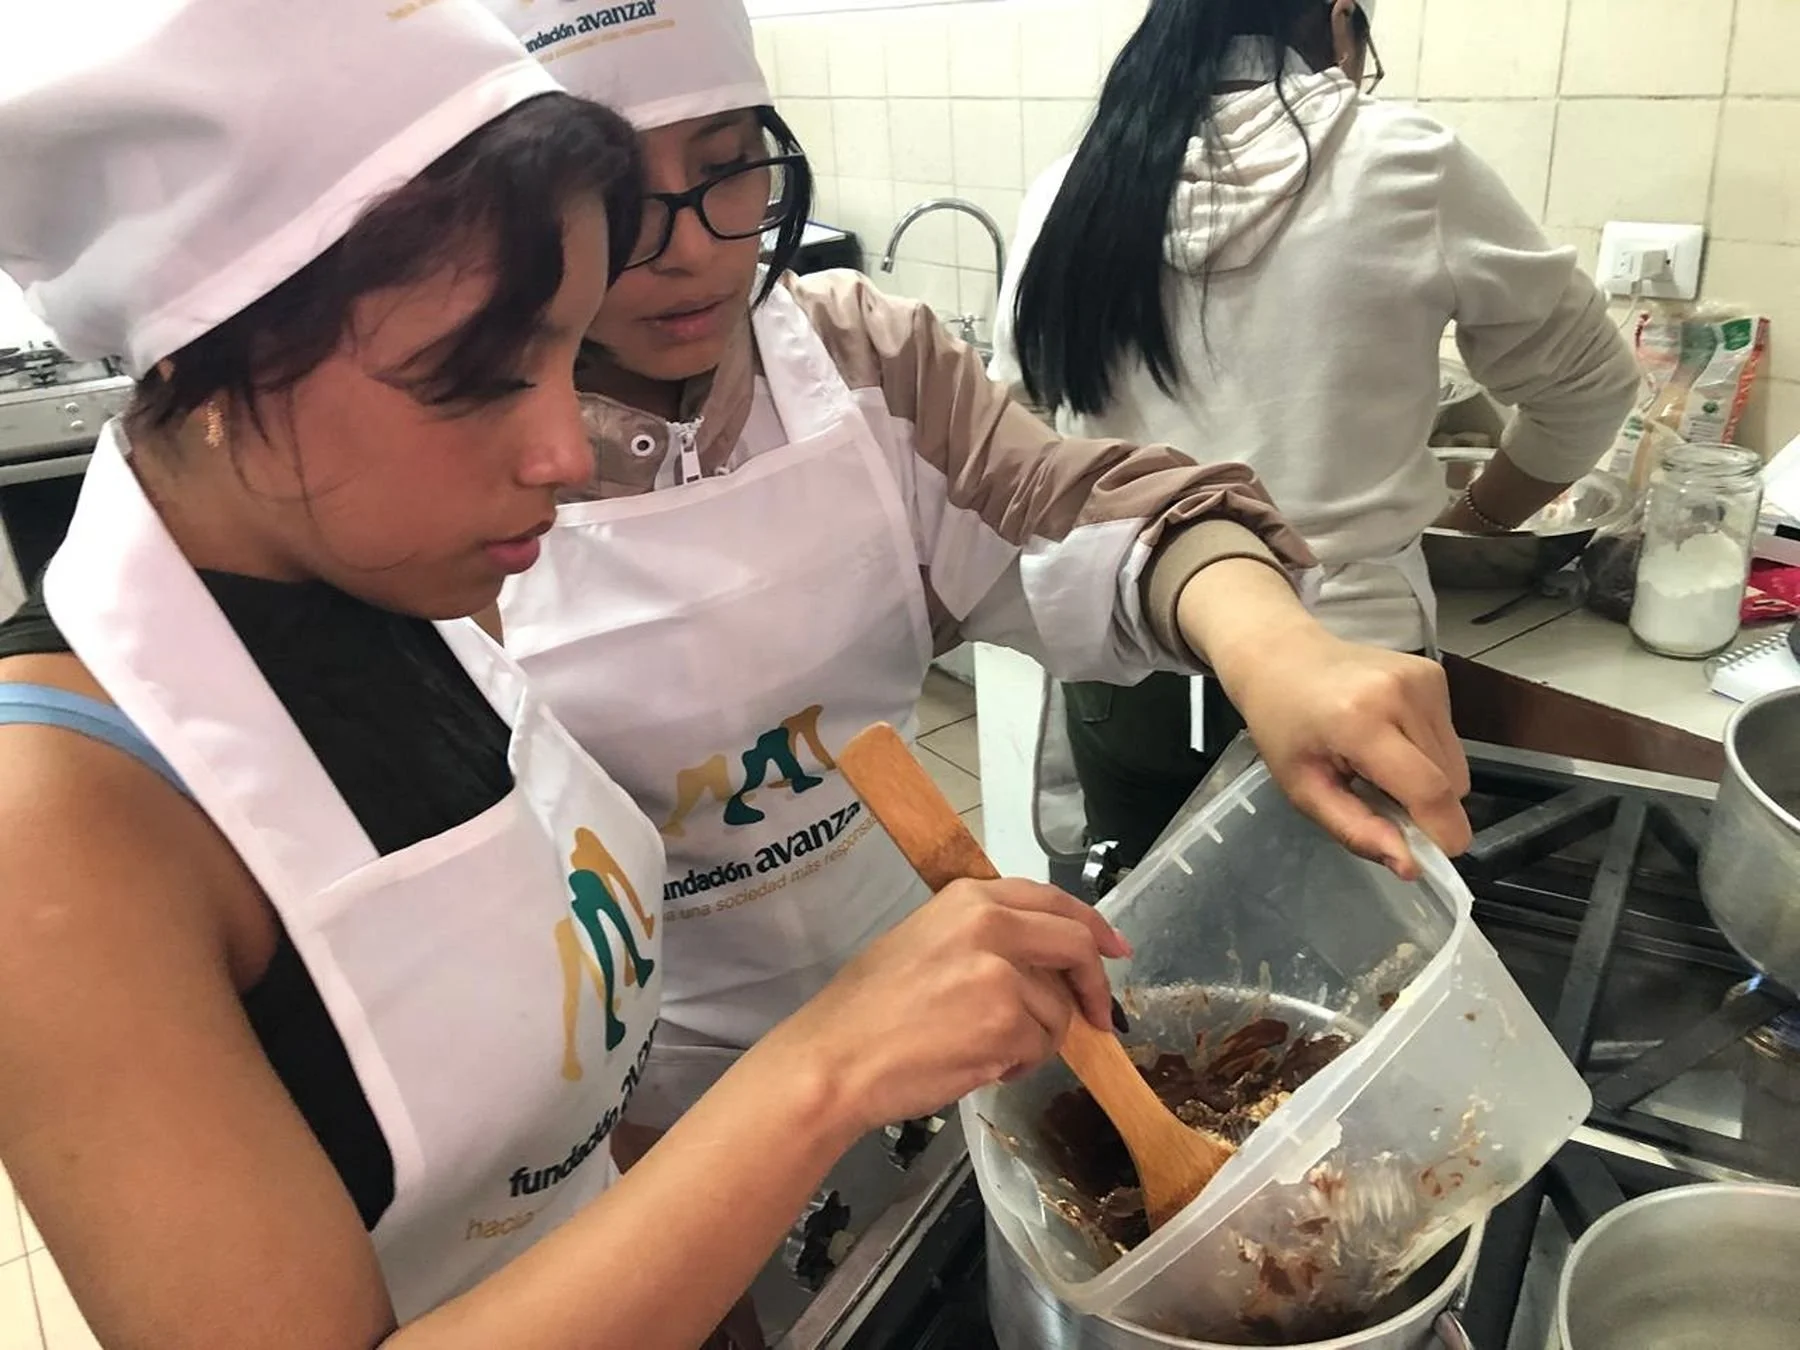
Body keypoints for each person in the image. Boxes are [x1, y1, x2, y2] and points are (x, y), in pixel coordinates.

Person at [0, 5, 1135, 1347]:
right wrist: (825, 1068)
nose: (559, 446)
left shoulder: (390, 588)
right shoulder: (59, 828)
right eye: (479, 375)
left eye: (562, 348)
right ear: (211, 369)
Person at [479, 0, 1473, 1148]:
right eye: (612, 198)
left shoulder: (858, 362)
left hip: (927, 994)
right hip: (650, 1092)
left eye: (727, 166)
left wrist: (1277, 648)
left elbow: (1076, 511)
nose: (695, 243)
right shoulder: (457, 465)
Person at [990, 0, 1640, 866]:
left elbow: (1014, 421)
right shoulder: (1404, 161)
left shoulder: (1074, 184)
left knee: (1146, 950)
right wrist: (1478, 521)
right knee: (1344, 965)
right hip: (1345, 670)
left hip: (1130, 662)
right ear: (1341, 25)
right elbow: (1592, 385)